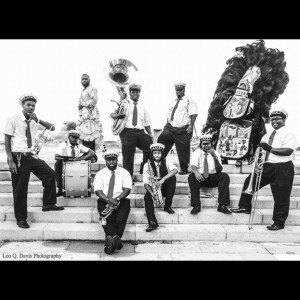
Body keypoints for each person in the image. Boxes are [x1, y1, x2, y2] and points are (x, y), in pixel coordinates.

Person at [3, 93, 64, 229]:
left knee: (49, 174)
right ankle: (21, 218)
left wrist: (38, 120)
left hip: (31, 156)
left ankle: (48, 203)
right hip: (18, 156)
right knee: (20, 188)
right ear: (22, 106)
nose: (31, 107)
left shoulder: (35, 120)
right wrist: (10, 160)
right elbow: (7, 139)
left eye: (33, 105)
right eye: (28, 105)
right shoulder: (12, 118)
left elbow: (52, 128)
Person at [231, 108, 298, 230]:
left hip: (283, 167)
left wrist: (269, 148)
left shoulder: (289, 133)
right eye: (272, 119)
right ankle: (245, 206)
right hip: (268, 165)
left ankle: (279, 222)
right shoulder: (268, 135)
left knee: (281, 196)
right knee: (249, 181)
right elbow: (261, 150)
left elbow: (288, 151)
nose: (274, 121)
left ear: (284, 120)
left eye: (277, 119)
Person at [93, 150, 132, 254]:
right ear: (105, 160)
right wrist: (108, 200)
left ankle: (110, 243)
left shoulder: (124, 172)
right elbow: (98, 191)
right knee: (106, 220)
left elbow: (127, 189)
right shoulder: (100, 174)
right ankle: (116, 240)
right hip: (104, 200)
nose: (111, 162)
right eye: (108, 159)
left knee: (120, 220)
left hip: (121, 200)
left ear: (117, 159)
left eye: (113, 159)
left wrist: (117, 199)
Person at [110, 83, 153, 177]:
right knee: (128, 155)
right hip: (127, 131)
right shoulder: (124, 103)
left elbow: (147, 121)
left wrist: (150, 134)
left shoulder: (143, 106)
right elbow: (112, 115)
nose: (135, 94)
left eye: (137, 92)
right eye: (133, 92)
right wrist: (118, 115)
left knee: (150, 148)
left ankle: (144, 169)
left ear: (140, 93)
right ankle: (128, 177)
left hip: (140, 131)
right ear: (129, 92)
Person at [158, 83, 198, 175]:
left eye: (180, 90)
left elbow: (194, 114)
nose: (178, 91)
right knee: (161, 143)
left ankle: (184, 169)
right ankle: (158, 165)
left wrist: (191, 126)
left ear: (184, 90)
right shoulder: (173, 102)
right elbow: (169, 114)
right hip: (170, 127)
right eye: (177, 90)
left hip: (182, 129)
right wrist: (166, 124)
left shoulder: (189, 101)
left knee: (183, 149)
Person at [188, 135, 232, 215]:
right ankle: (196, 205)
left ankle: (222, 205)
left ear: (211, 144)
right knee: (191, 176)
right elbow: (193, 166)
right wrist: (197, 173)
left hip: (212, 176)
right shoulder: (196, 153)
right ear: (201, 144)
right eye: (204, 144)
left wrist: (215, 157)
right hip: (200, 177)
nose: (206, 146)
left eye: (208, 144)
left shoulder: (215, 153)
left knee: (224, 176)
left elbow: (219, 170)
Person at [143, 143, 179, 232]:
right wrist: (152, 193)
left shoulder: (166, 161)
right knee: (147, 197)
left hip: (164, 187)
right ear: (152, 154)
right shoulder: (146, 165)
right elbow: (145, 183)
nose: (157, 155)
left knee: (172, 178)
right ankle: (152, 222)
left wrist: (163, 179)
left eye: (159, 153)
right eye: (155, 153)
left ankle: (167, 206)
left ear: (162, 154)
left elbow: (175, 170)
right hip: (153, 188)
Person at [54, 129, 97, 197]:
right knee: (57, 163)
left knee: (92, 157)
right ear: (69, 137)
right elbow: (56, 157)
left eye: (76, 138)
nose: (75, 139)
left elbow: (92, 152)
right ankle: (60, 188)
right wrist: (68, 159)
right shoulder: (63, 145)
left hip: (76, 165)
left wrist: (80, 159)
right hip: (65, 164)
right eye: (73, 137)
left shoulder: (79, 145)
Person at [77, 74, 103, 151]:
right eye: (83, 79)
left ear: (89, 80)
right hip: (84, 117)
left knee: (91, 137)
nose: (84, 80)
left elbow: (93, 101)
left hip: (91, 117)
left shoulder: (92, 88)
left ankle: (91, 158)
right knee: (84, 138)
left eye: (86, 79)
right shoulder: (83, 90)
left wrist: (82, 104)